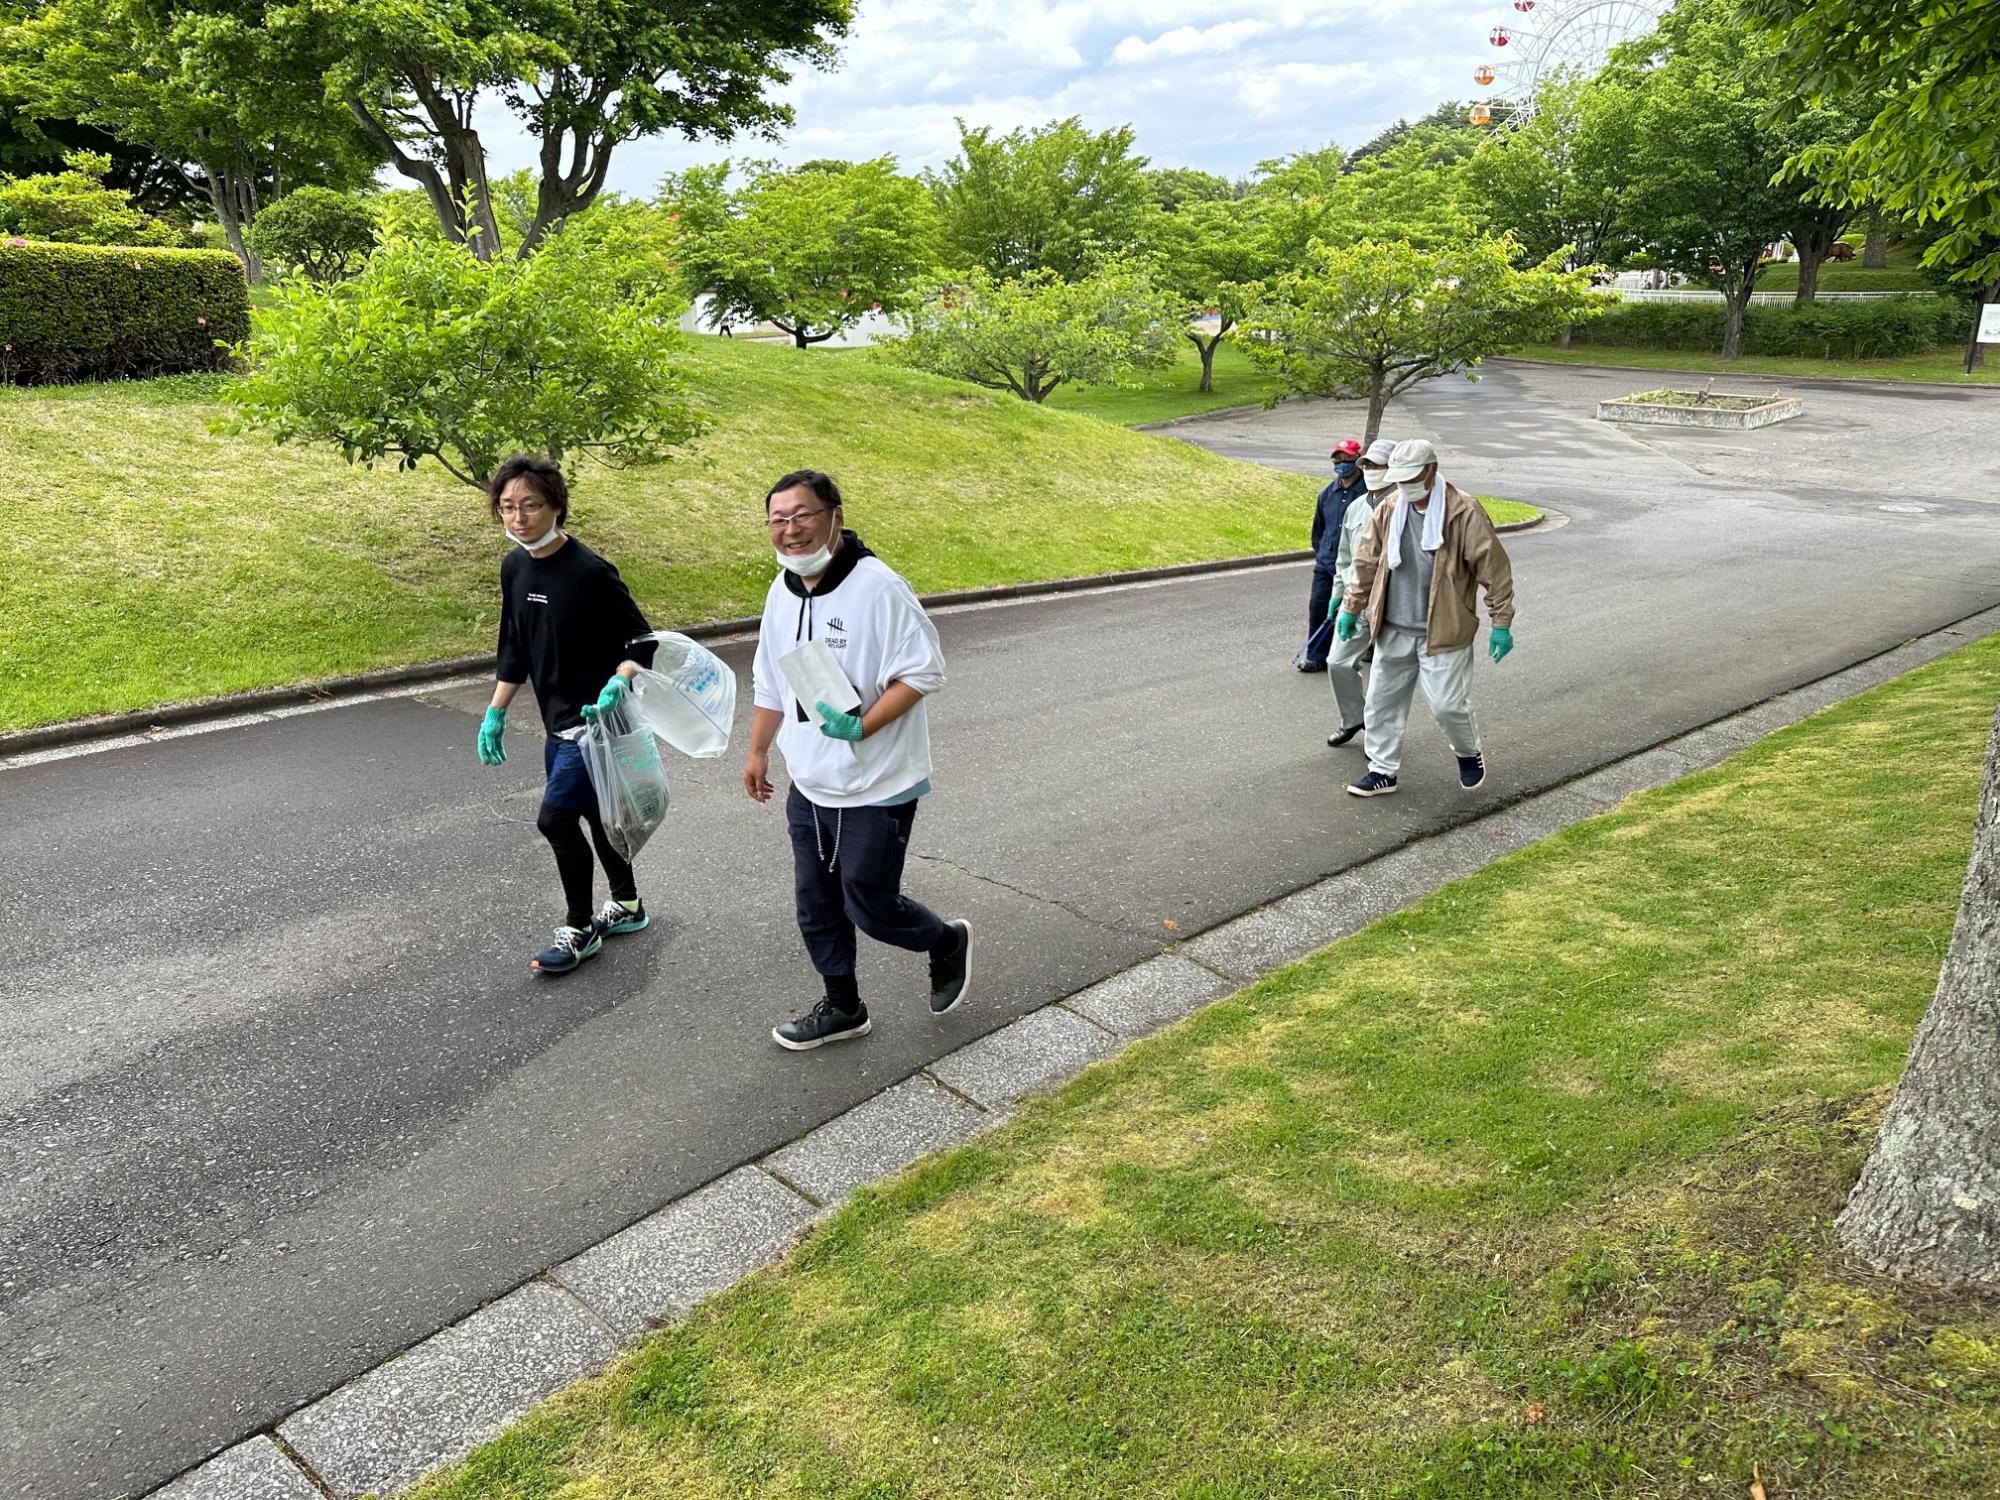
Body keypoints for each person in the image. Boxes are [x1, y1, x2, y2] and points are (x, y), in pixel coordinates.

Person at [743, 469, 972, 1051]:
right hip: (810, 782)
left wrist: (862, 725)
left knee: (868, 904)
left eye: (802, 516)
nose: (790, 530)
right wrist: (757, 750)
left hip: (878, 782)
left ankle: (943, 940)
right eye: (778, 519)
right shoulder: (781, 591)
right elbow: (770, 680)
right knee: (816, 903)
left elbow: (923, 672)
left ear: (835, 518)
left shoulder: (878, 588)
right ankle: (843, 1006)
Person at [476, 456, 659, 974]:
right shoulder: (514, 567)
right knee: (593, 814)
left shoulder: (590, 572)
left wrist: (618, 682)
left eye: (530, 505)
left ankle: (579, 927)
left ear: (556, 505)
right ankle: (626, 905)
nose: (518, 517)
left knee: (554, 818)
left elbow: (642, 643)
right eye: (508, 507)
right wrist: (496, 713)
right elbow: (514, 645)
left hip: (600, 721)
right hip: (558, 723)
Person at [1335, 438, 1515, 798]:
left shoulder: (1462, 511)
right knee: (1381, 703)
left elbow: (1494, 569)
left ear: (1431, 470)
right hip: (1394, 627)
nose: (1405, 487)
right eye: (1399, 479)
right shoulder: (1389, 508)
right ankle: (1382, 770)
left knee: (1448, 706)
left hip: (1444, 630)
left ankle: (1468, 752)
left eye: (1412, 478)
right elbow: (1366, 561)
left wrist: (1501, 623)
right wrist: (1350, 607)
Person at [1324, 436, 1396, 747]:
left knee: (1386, 677)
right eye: (1366, 464)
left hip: (1394, 605)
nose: (1369, 470)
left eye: (1377, 465)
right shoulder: (1354, 508)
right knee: (1337, 662)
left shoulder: (1405, 505)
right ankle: (1354, 718)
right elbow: (1344, 558)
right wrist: (1338, 595)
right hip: (1356, 601)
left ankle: (1381, 745)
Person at [1300, 438, 1367, 672]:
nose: (1341, 464)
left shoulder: (1367, 493)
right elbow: (1318, 531)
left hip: (1357, 566)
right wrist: (1323, 554)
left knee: (1357, 609)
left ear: (1357, 460)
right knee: (1319, 607)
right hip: (1327, 564)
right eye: (1337, 459)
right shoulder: (1327, 494)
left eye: (1346, 459)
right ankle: (1316, 655)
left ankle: (1360, 651)